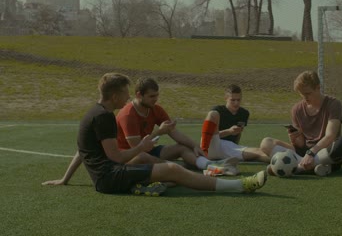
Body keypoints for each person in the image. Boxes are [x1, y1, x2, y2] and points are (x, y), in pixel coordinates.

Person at [44, 73, 267, 196]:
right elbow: (118, 158)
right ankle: (240, 185)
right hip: (109, 178)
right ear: (114, 95)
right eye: (124, 93)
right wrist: (143, 145)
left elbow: (83, 151)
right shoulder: (105, 117)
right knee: (172, 169)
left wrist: (65, 179)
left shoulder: (95, 113)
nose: (127, 97)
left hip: (107, 177)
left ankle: (155, 182)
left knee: (171, 170)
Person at [259, 70, 342, 176]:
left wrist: (311, 153)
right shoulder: (296, 109)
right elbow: (300, 145)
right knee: (266, 143)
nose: (305, 97)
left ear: (318, 88)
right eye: (301, 94)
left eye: (308, 93)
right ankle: (312, 167)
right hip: (304, 154)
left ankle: (297, 168)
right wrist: (294, 138)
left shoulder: (334, 104)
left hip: (324, 151)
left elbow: (330, 136)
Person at [200, 84, 270, 163]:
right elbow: (208, 136)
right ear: (226, 98)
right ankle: (203, 152)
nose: (236, 103)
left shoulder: (244, 113)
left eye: (238, 100)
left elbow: (238, 134)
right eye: (232, 100)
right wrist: (229, 131)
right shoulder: (218, 110)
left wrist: (237, 148)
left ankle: (278, 161)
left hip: (229, 147)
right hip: (212, 145)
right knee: (213, 114)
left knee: (258, 152)